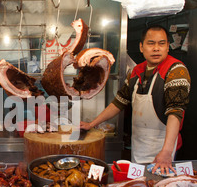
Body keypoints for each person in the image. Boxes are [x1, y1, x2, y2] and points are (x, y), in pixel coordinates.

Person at [81, 25, 190, 175]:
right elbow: (119, 102)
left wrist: (166, 152)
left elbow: (176, 112)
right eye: (151, 43)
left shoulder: (176, 70)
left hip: (163, 148)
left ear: (167, 47)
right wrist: (91, 124)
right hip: (139, 145)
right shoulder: (136, 71)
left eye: (162, 43)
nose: (156, 48)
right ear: (141, 47)